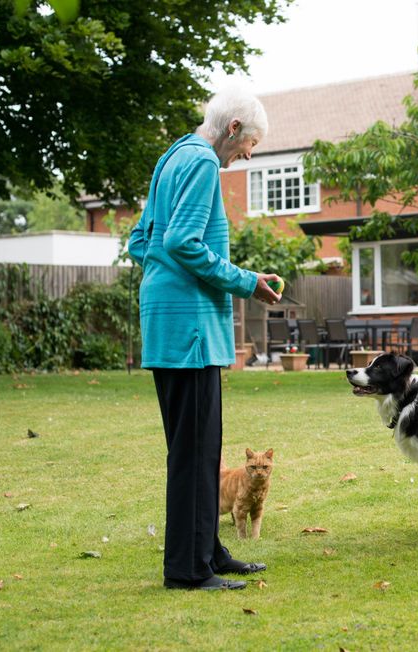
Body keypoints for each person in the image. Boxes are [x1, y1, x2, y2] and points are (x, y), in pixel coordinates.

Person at [127, 84, 281, 591]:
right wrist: (245, 282)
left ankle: (208, 553)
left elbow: (141, 241)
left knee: (197, 451)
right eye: (248, 146)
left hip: (170, 323)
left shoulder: (171, 156)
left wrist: (161, 284)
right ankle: (189, 571)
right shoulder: (199, 163)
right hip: (191, 329)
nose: (245, 157)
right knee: (195, 454)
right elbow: (181, 242)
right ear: (232, 129)